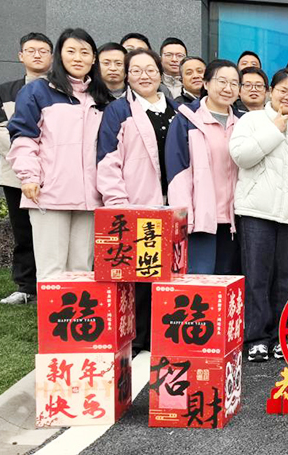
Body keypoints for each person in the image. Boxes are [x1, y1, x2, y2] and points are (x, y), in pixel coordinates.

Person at [6, 28, 112, 282]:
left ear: (94, 58)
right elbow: (24, 137)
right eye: (71, 51)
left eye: (84, 52)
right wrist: (29, 177)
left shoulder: (101, 98)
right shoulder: (38, 91)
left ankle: (76, 310)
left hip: (89, 198)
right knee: (51, 270)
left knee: (81, 269)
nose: (78, 58)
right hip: (50, 193)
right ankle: (50, 310)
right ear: (59, 56)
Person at [96, 49, 178, 355]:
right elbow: (108, 159)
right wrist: (119, 204)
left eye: (150, 70)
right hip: (137, 203)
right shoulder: (119, 110)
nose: (145, 76)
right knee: (140, 276)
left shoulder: (178, 110)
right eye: (137, 70)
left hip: (174, 205)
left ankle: (161, 337)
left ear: (160, 73)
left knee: (168, 275)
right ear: (127, 76)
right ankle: (138, 339)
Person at [229, 69, 288, 363]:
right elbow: (241, 156)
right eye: (282, 91)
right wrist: (275, 129)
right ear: (270, 92)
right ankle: (256, 338)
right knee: (257, 277)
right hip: (256, 211)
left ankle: (284, 336)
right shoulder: (251, 121)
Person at [165, 59, 244, 275]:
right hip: (199, 218)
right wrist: (185, 217)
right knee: (200, 280)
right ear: (206, 83)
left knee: (227, 282)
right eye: (222, 81)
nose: (228, 88)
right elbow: (178, 173)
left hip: (234, 221)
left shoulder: (244, 123)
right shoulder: (186, 120)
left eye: (234, 83)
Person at [0, 32, 52, 305]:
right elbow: (0, 132)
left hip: (55, 176)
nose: (37, 55)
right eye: (31, 50)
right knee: (23, 232)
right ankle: (26, 286)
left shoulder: (60, 89)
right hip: (16, 176)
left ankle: (54, 285)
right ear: (21, 56)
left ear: (52, 56)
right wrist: (29, 159)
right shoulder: (5, 91)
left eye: (43, 50)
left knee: (52, 233)